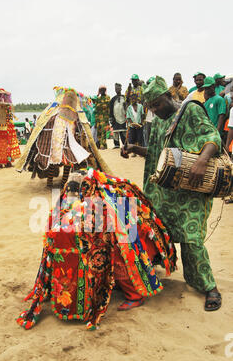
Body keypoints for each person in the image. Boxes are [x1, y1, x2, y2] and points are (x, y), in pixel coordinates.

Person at [17, 168, 177, 331]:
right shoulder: (90, 192)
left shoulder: (105, 202)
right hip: (122, 229)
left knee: (119, 254)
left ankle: (135, 296)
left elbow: (98, 227)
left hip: (131, 239)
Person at [121, 76, 222, 312]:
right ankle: (156, 272)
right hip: (164, 192)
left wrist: (202, 159)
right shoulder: (157, 122)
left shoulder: (190, 112)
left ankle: (209, 287)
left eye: (157, 104)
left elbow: (212, 138)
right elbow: (157, 154)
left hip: (190, 189)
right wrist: (135, 148)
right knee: (157, 232)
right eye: (151, 107)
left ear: (168, 96)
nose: (155, 110)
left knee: (192, 238)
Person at [15, 87, 110, 188]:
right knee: (66, 163)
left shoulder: (54, 113)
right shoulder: (68, 114)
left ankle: (52, 181)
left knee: (57, 162)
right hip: (63, 145)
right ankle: (61, 182)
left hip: (59, 146)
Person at [109, 83, 127, 148]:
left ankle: (124, 144)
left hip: (123, 117)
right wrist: (111, 118)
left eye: (118, 88)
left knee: (123, 132)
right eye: (116, 89)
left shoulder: (124, 97)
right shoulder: (112, 99)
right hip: (115, 117)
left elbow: (127, 107)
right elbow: (111, 109)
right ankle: (116, 145)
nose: (117, 90)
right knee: (115, 132)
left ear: (121, 89)